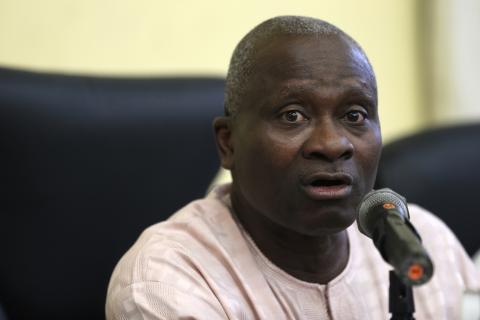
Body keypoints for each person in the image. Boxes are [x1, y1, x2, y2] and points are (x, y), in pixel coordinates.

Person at [106, 16, 479, 319]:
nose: (333, 144)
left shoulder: (427, 246)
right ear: (228, 143)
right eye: (293, 115)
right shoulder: (166, 284)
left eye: (354, 114)